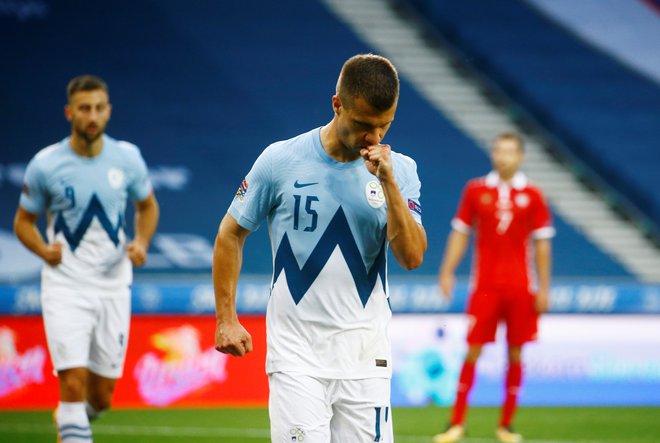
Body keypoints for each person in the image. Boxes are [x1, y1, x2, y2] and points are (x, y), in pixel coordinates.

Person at [213, 54, 427, 442]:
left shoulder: (403, 171)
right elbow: (230, 233)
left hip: (367, 360)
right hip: (296, 357)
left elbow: (412, 257)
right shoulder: (280, 161)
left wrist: (389, 184)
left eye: (384, 126)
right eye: (364, 125)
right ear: (337, 104)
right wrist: (226, 318)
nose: (374, 139)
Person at [13, 75, 159, 443]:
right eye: (83, 108)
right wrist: (43, 251)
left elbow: (147, 206)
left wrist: (141, 241)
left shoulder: (127, 158)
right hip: (65, 285)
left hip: (113, 285)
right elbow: (23, 222)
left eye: (98, 108)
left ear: (108, 112)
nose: (91, 115)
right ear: (69, 113)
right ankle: (72, 419)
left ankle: (70, 421)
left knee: (101, 396)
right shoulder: (46, 164)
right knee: (73, 384)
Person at [433, 132, 554, 443]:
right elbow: (460, 232)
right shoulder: (475, 190)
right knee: (472, 350)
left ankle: (506, 425)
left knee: (515, 353)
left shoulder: (533, 194)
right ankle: (456, 422)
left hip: (520, 287)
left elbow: (542, 245)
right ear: (493, 155)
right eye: (499, 150)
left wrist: (543, 288)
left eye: (510, 151)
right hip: (484, 286)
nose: (503, 157)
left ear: (520, 156)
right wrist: (447, 270)